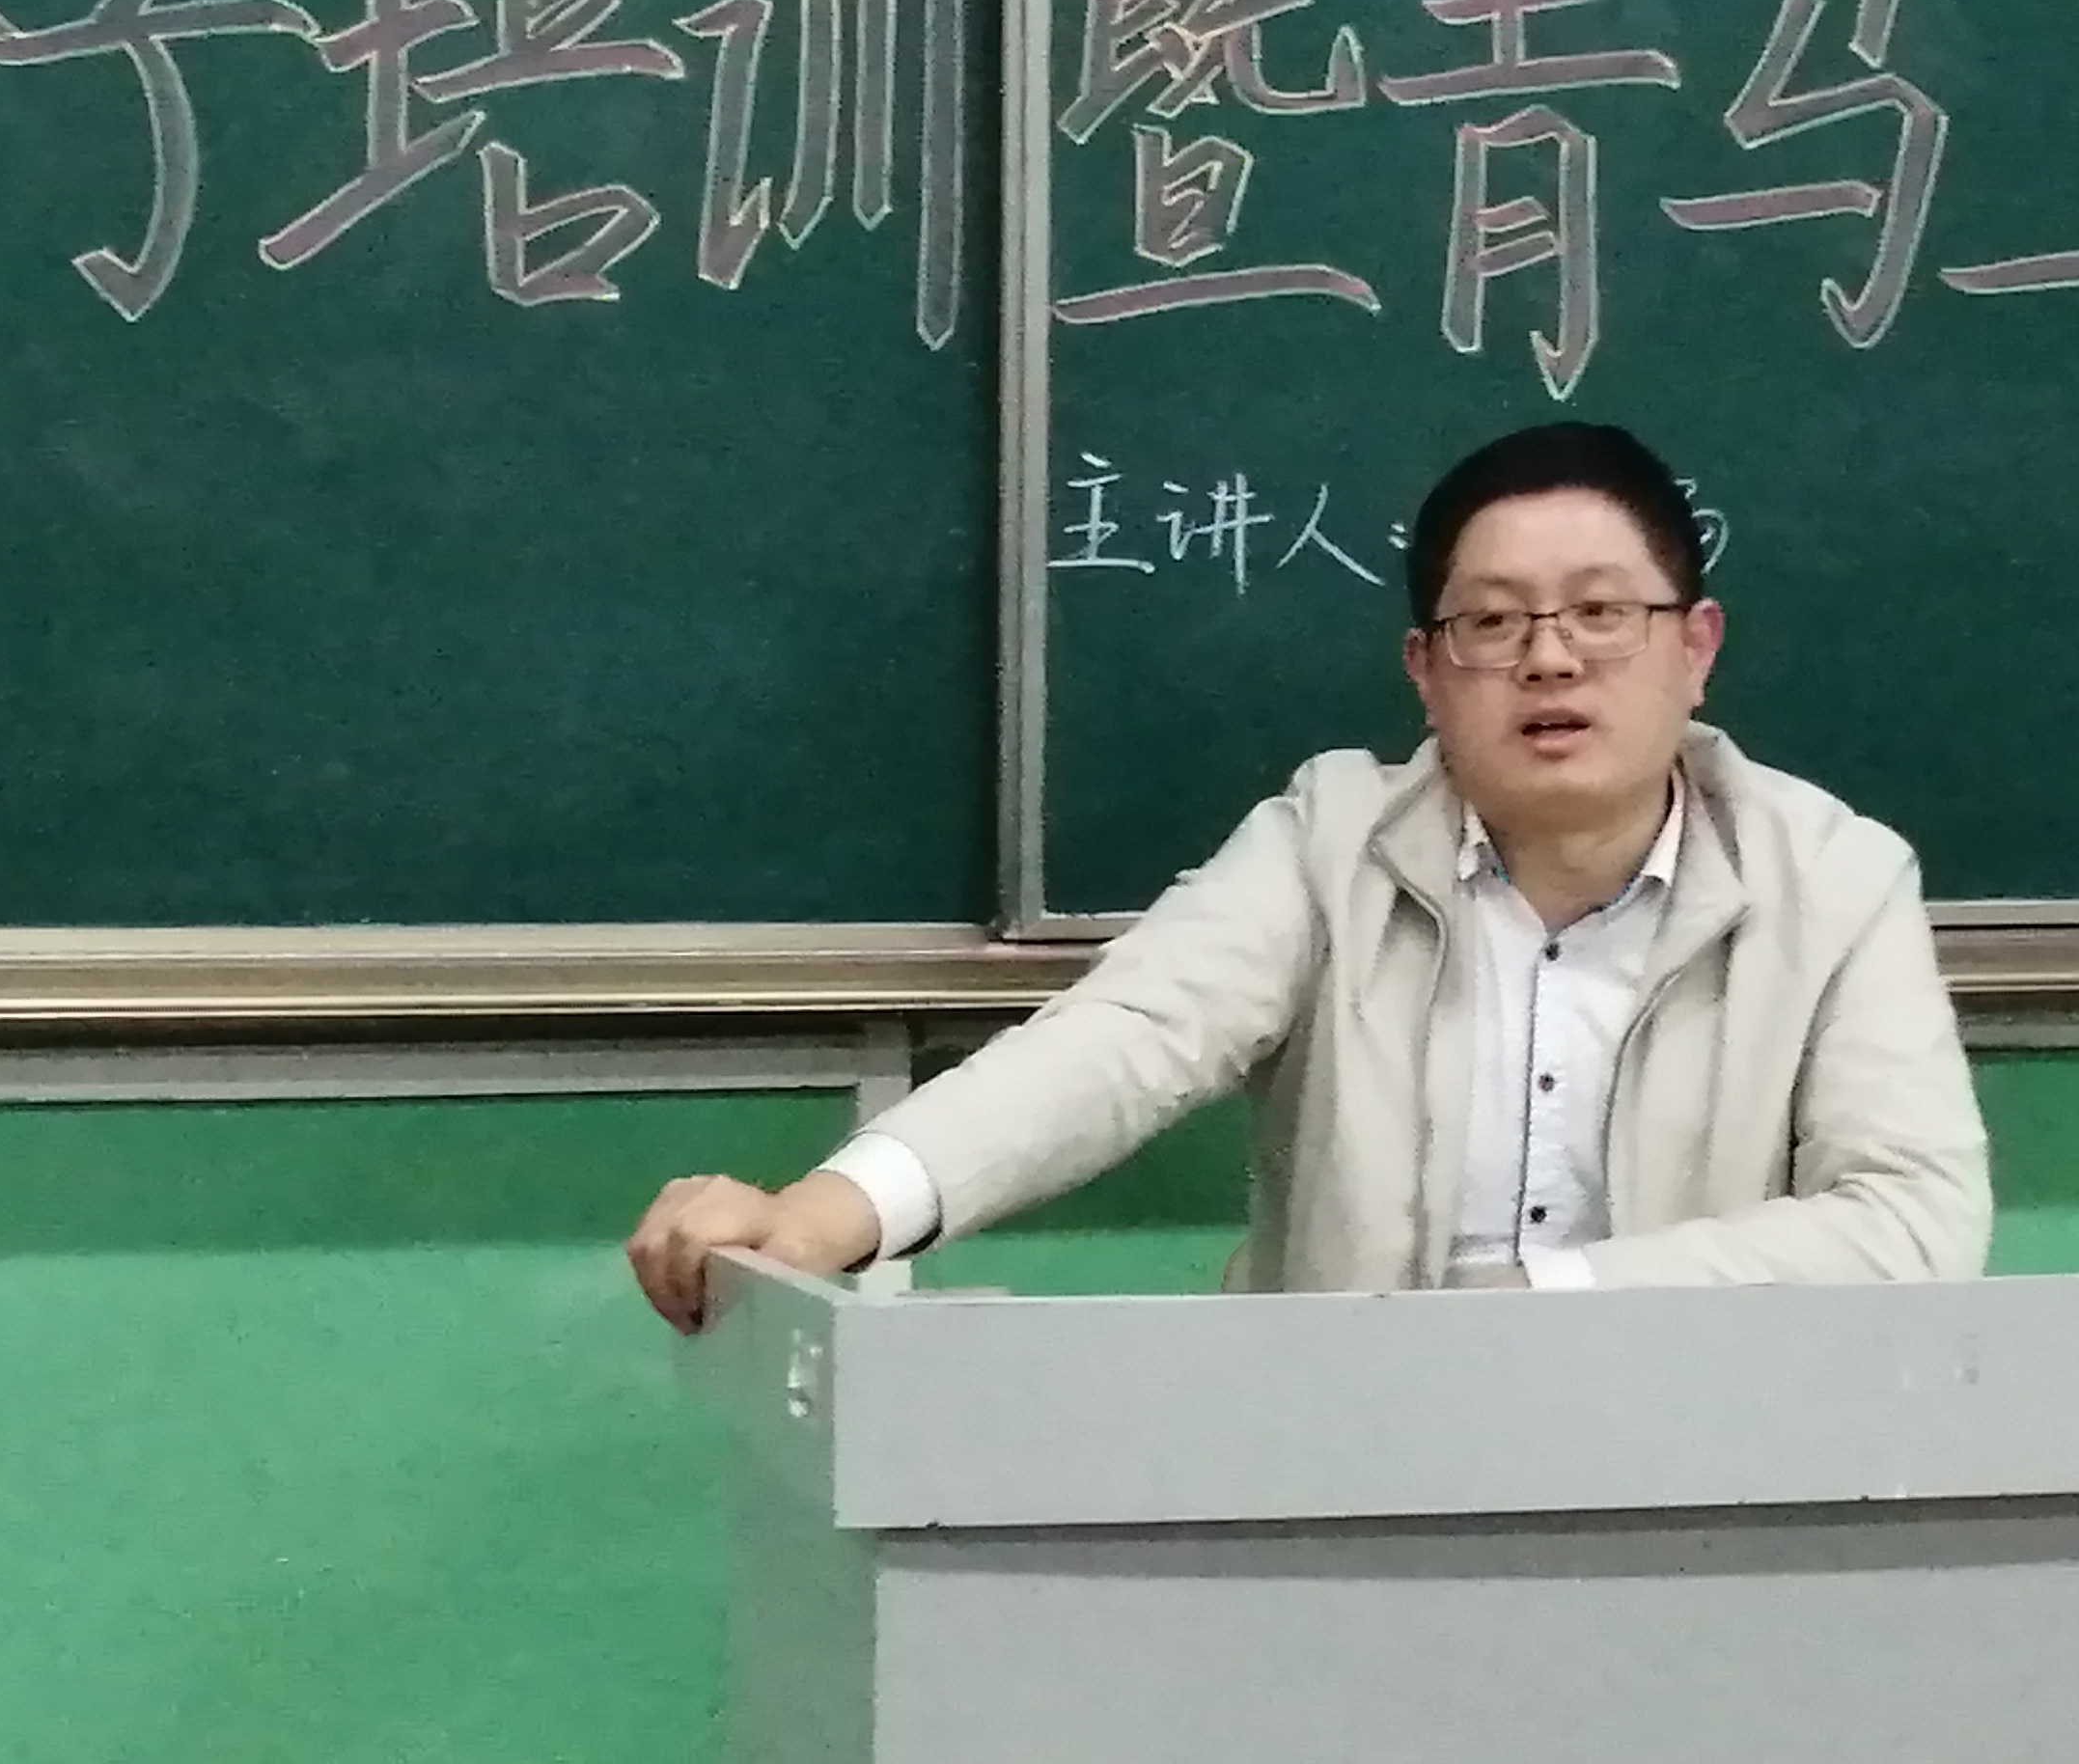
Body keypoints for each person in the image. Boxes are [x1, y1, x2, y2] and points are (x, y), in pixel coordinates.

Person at [624, 421, 1988, 1322]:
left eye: (1600, 613)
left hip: (1705, 1466)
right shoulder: (1329, 843)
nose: (1549, 658)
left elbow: (1915, 1221)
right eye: (1492, 622)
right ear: (1424, 670)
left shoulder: (1835, 880)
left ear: (1697, 646)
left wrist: (1555, 1301)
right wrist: (825, 1215)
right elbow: (1120, 1042)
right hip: (1337, 1462)